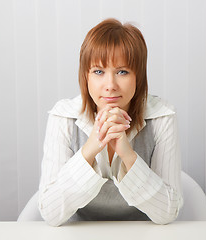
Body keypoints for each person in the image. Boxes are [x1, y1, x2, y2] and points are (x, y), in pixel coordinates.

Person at [38, 18, 183, 227]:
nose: (110, 85)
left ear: (138, 77)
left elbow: (168, 212)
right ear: (85, 77)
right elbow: (50, 213)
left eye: (122, 72)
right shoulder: (64, 117)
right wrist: (90, 148)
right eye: (98, 71)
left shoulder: (161, 117)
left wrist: (128, 155)